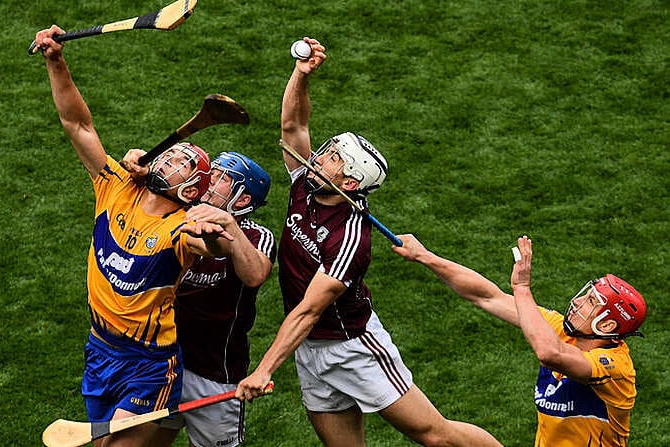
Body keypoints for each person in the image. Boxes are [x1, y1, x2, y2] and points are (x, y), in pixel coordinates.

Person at [235, 37, 502, 447]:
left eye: (332, 158)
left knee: (436, 435)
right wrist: (300, 75)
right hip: (308, 349)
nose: (319, 157)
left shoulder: (350, 239)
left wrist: (265, 369)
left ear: (350, 182)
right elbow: (294, 126)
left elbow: (309, 310)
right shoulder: (307, 184)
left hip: (352, 347)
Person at [34, 26, 239, 447]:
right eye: (172, 154)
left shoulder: (179, 228)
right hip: (99, 350)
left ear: (188, 191)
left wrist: (216, 233)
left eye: (181, 163)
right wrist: (55, 60)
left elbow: (209, 246)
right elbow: (78, 124)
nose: (168, 159)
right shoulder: (116, 185)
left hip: (148, 365)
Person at [392, 234, 647, 446]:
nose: (578, 301)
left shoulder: (615, 368)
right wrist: (425, 256)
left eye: (591, 302)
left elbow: (550, 353)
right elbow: (488, 296)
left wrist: (523, 289)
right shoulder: (561, 330)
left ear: (607, 325)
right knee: (440, 436)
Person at [122, 150, 277, 447]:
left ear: (242, 200)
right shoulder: (180, 213)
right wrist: (142, 168)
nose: (209, 180)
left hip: (215, 374)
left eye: (221, 179)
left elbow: (255, 275)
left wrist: (228, 225)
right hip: (163, 364)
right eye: (212, 173)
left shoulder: (257, 236)